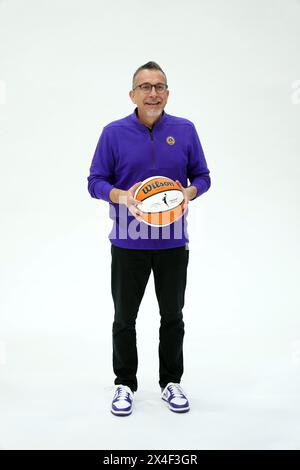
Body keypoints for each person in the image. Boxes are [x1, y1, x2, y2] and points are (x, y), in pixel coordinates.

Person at [87, 61, 211, 416]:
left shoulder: (185, 130)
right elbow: (95, 180)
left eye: (159, 87)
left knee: (173, 315)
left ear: (167, 93)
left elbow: (203, 176)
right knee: (124, 317)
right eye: (145, 86)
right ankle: (124, 384)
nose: (153, 93)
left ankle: (171, 382)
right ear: (133, 94)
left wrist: (189, 192)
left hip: (173, 242)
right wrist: (122, 196)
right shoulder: (113, 133)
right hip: (128, 241)